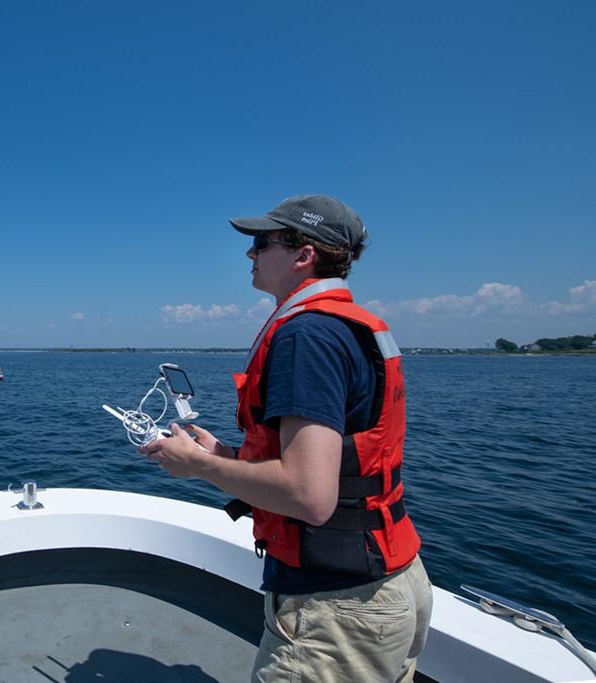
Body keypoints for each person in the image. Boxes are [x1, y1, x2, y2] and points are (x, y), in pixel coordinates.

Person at [140, 195, 432, 683]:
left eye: (261, 243)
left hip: (335, 607)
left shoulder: (308, 336)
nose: (250, 255)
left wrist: (199, 466)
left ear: (305, 254)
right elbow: (332, 465)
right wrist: (227, 455)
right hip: (392, 581)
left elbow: (309, 496)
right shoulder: (346, 329)